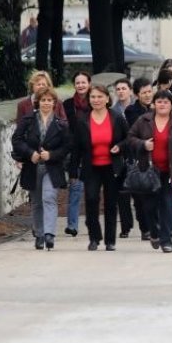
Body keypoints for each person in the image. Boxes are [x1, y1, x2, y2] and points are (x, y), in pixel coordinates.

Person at [127, 90, 172, 253]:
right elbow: (130, 138)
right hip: (149, 171)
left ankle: (167, 241)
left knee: (168, 206)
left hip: (170, 172)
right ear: (154, 104)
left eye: (166, 102)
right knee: (149, 207)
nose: (162, 104)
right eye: (159, 101)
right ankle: (155, 232)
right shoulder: (143, 121)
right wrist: (143, 144)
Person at [68, 84, 129, 251]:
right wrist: (72, 171)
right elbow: (76, 148)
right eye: (93, 97)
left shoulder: (117, 118)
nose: (96, 100)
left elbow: (128, 139)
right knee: (92, 200)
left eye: (100, 97)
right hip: (91, 167)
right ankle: (94, 237)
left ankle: (110, 241)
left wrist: (120, 147)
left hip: (112, 167)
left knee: (110, 204)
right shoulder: (82, 120)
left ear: (107, 99)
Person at [11, 88, 70, 250]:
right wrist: (30, 153)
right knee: (36, 202)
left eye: (49, 100)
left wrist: (51, 154)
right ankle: (39, 234)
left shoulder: (60, 123)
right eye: (43, 100)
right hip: (33, 166)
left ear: (54, 103)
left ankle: (50, 234)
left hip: (52, 167)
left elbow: (66, 147)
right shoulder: (28, 120)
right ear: (38, 102)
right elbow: (16, 139)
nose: (46, 103)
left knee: (49, 197)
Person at [62, 70, 92, 237]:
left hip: (93, 151)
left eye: (83, 82)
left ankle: (91, 222)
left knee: (92, 190)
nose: (81, 85)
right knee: (75, 188)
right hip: (75, 153)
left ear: (89, 83)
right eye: (78, 82)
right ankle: (72, 224)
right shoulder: (67, 105)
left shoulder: (96, 101)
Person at [123, 77, 154, 240]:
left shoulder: (158, 107)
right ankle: (145, 228)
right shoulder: (131, 111)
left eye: (150, 91)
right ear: (137, 94)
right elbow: (135, 133)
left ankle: (153, 224)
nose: (148, 95)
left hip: (155, 157)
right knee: (140, 197)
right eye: (144, 93)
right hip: (138, 157)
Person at [112, 77, 136, 239]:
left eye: (123, 88)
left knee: (140, 193)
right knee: (122, 193)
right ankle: (125, 226)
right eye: (118, 89)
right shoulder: (112, 111)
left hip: (138, 154)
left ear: (130, 91)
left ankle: (145, 223)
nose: (121, 91)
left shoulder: (136, 109)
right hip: (120, 157)